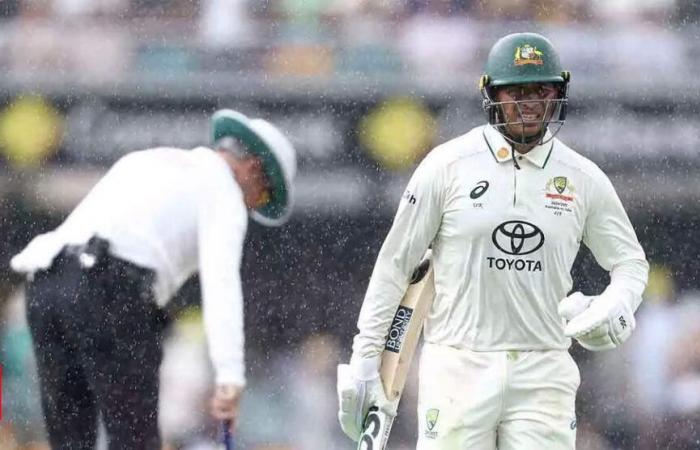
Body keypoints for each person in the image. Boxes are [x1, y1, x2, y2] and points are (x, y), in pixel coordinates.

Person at [337, 32, 649, 449]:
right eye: (516, 92)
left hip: (543, 368)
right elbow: (396, 266)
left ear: (558, 94)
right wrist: (365, 359)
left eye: (541, 91)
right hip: (458, 364)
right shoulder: (447, 166)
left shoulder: (582, 177)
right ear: (491, 95)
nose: (529, 103)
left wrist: (619, 302)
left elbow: (630, 263)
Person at [10, 109, 297, 450]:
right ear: (253, 169)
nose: (253, 207)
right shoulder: (224, 192)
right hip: (109, 290)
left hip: (45, 285)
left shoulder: (146, 160)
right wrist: (230, 376)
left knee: (71, 439)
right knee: (136, 440)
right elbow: (222, 284)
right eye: (262, 197)